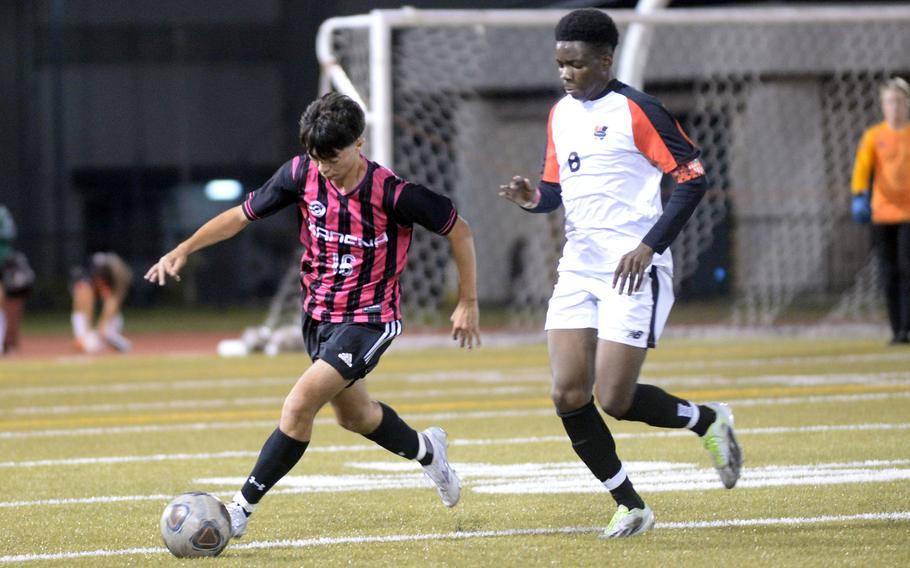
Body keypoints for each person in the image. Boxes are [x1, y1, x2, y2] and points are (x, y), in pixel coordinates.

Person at [145, 92, 481, 540]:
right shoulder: (300, 174)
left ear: (359, 143)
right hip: (318, 315)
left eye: (333, 156)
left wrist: (468, 300)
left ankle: (240, 510)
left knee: (300, 403)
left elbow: (459, 229)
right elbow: (241, 216)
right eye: (316, 156)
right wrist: (184, 248)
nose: (324, 166)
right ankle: (428, 451)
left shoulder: (395, 193)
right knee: (355, 417)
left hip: (369, 317)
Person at [498, 9, 741, 538]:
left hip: (635, 269)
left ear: (606, 60)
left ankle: (707, 420)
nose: (565, 74)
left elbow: (693, 179)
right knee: (567, 393)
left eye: (577, 64)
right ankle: (630, 504)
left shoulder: (638, 110)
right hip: (579, 268)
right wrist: (531, 198)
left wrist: (648, 245)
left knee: (615, 399)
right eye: (560, 64)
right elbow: (556, 192)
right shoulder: (560, 114)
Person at [851, 76, 910, 345]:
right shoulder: (874, 136)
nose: (894, 107)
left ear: (906, 104)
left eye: (898, 101)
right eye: (889, 102)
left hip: (908, 213)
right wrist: (859, 196)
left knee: (907, 269)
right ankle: (896, 329)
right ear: (882, 105)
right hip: (882, 213)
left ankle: (906, 328)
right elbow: (862, 169)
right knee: (888, 273)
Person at [70, 252, 133, 353]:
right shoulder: (84, 276)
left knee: (107, 326)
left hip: (116, 274)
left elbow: (114, 301)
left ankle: (113, 337)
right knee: (83, 294)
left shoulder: (119, 275)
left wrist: (103, 325)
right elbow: (83, 302)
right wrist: (84, 334)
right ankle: (82, 336)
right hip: (91, 277)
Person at [0, 205, 35, 355]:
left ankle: (7, 341)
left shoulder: (2, 212)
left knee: (10, 302)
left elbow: (9, 233)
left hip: (5, 264)